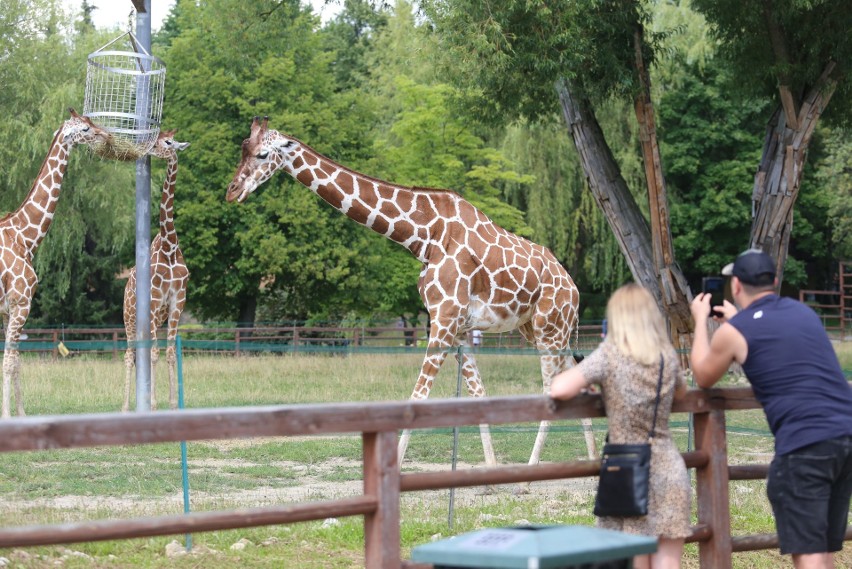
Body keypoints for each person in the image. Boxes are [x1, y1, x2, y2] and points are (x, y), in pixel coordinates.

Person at [690, 248, 852, 569]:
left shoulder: (735, 332)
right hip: (844, 435)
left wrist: (699, 322)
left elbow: (702, 375)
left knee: (808, 551)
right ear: (774, 281)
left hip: (805, 443)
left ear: (736, 285)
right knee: (822, 548)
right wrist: (738, 321)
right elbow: (775, 338)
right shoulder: (802, 312)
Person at [551, 283, 690, 569]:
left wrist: (599, 387)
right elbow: (682, 393)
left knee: (632, 556)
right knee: (668, 560)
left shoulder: (611, 354)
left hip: (628, 470)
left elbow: (560, 388)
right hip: (668, 467)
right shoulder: (666, 356)